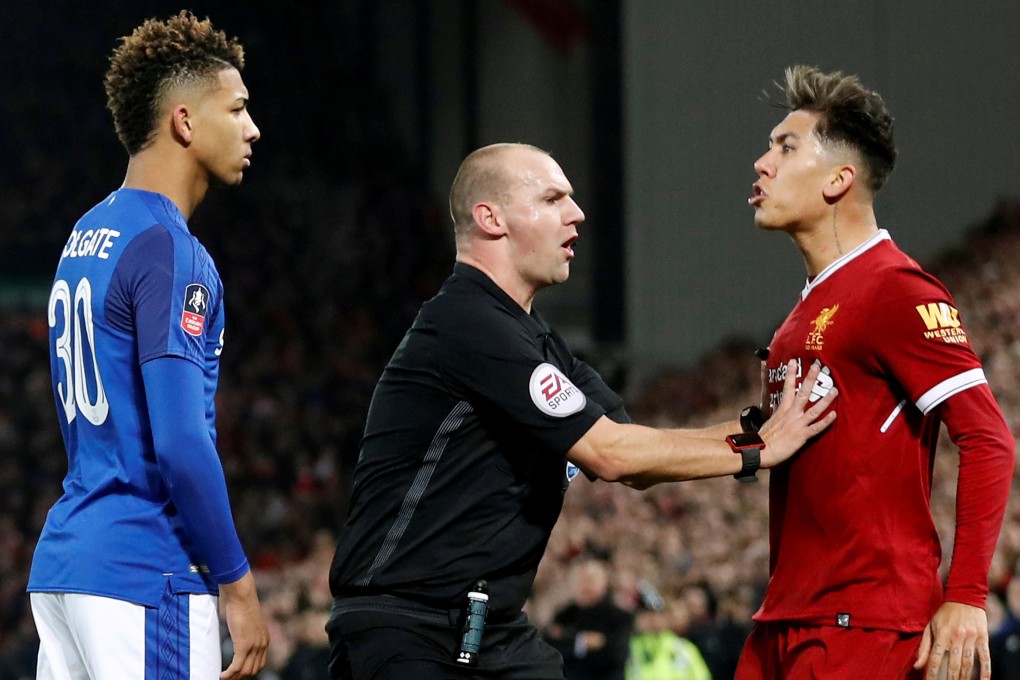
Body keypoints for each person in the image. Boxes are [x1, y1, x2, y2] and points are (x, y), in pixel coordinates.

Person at [326, 141, 838, 679]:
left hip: (493, 633)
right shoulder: (466, 323)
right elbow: (611, 454)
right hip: (409, 633)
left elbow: (634, 451)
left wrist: (752, 427)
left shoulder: (538, 342)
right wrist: (758, 448)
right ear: (491, 219)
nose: (577, 214)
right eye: (552, 199)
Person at [735, 65, 1015, 680]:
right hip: (785, 619)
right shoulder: (801, 315)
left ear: (839, 179)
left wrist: (967, 594)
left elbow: (989, 439)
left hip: (863, 626)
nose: (762, 163)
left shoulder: (895, 289)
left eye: (785, 147)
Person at [27, 11, 268, 679]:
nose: (252, 128)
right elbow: (181, 442)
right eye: (237, 108)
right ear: (185, 122)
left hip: (69, 567)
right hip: (146, 572)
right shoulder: (171, 249)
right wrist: (238, 585)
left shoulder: (88, 230)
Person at [545, 558, 634, 679]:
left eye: (590, 580)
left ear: (603, 583)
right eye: (579, 581)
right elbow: (549, 650)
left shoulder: (620, 617)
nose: (585, 586)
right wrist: (581, 642)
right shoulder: (562, 616)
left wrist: (570, 642)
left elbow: (616, 655)